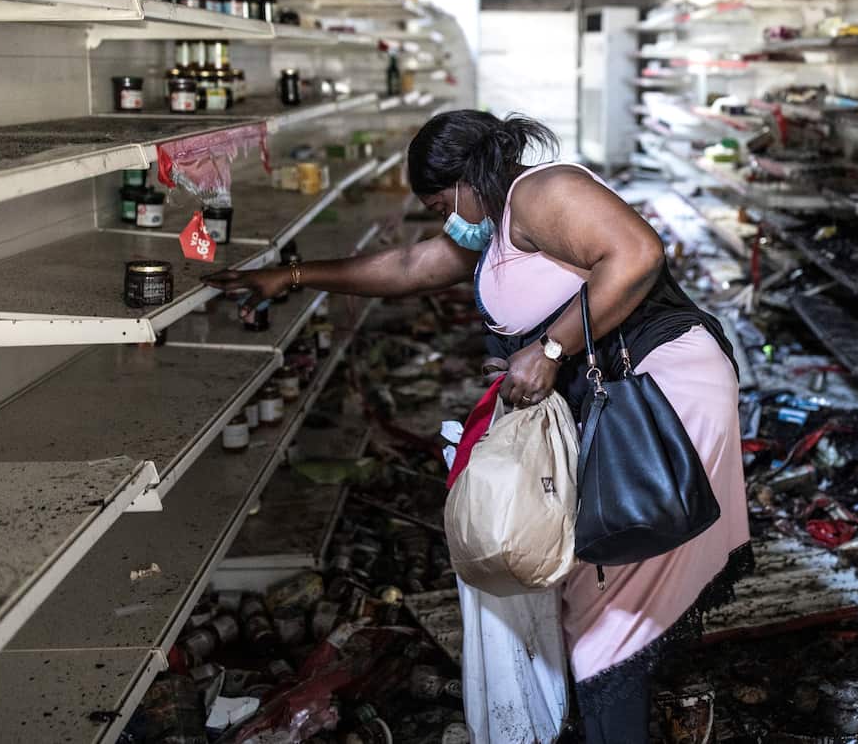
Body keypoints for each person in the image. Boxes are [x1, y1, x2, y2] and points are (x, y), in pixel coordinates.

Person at [205, 110, 752, 742]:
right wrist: (294, 276)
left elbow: (638, 253)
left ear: (467, 180)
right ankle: (632, 704)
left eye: (440, 203)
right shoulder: (493, 223)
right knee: (601, 589)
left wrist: (549, 350)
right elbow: (411, 267)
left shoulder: (542, 193)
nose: (445, 220)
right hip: (625, 396)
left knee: (606, 606)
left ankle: (620, 712)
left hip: (660, 394)